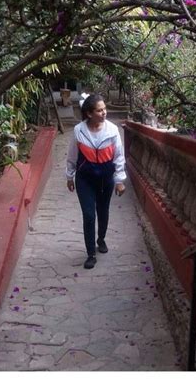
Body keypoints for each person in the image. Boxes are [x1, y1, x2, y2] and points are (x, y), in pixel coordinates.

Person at [66, 93, 126, 268]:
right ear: (90, 114)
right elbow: (72, 156)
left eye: (104, 109)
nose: (104, 112)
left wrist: (120, 180)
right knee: (89, 215)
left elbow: (119, 157)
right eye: (100, 110)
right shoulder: (79, 131)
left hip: (105, 179)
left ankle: (101, 239)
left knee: (103, 211)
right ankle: (91, 253)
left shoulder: (112, 130)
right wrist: (70, 176)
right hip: (85, 179)